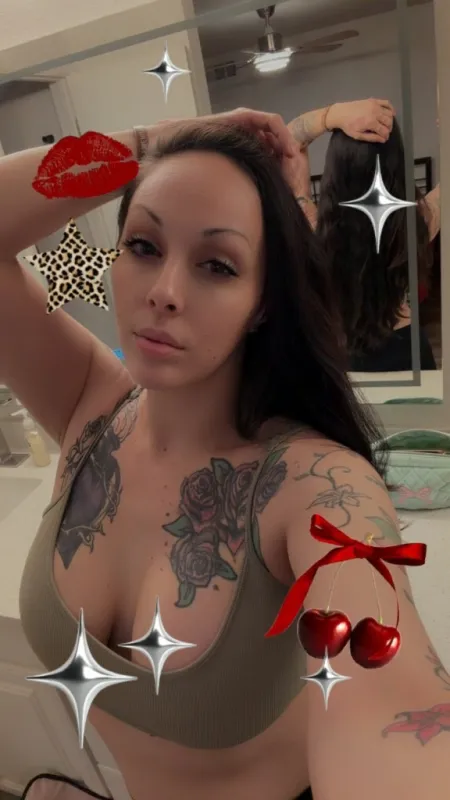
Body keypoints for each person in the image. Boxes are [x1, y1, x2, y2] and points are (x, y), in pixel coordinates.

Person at [0, 108, 447, 800]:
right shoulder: (89, 401)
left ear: (263, 302)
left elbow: (393, 696)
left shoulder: (315, 483)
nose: (164, 293)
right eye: (144, 245)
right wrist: (154, 144)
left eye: (216, 265)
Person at [287, 99, 440, 371]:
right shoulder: (418, 222)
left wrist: (332, 116)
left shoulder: (310, 226)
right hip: (407, 352)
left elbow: (288, 143)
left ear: (334, 168)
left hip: (340, 356)